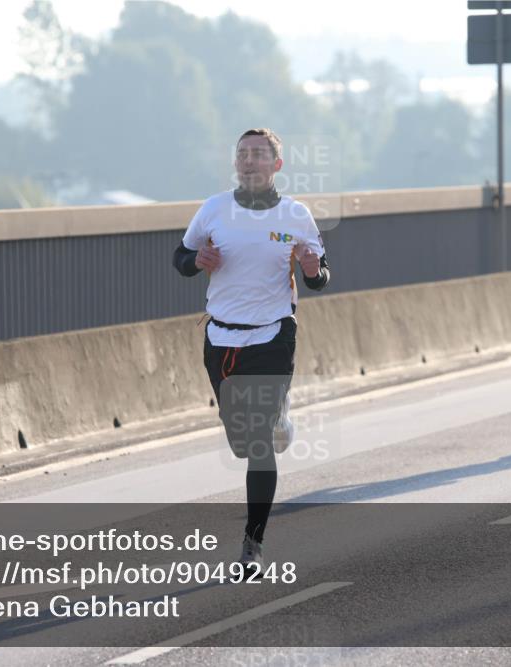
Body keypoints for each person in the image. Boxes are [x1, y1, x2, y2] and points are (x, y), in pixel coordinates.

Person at [172, 128, 330, 571]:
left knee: (258, 443)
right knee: (242, 442)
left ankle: (252, 543)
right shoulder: (214, 209)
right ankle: (277, 420)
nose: (248, 161)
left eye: (259, 155)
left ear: (276, 165)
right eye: (242, 154)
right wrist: (194, 261)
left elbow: (320, 276)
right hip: (221, 336)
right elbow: (180, 258)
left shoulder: (296, 215)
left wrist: (313, 270)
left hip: (272, 335)